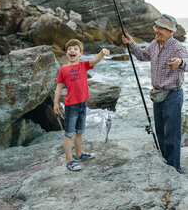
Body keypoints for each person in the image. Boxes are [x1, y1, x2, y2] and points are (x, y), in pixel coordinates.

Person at [122, 14, 188, 173]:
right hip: (157, 95)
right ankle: (166, 164)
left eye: (159, 28)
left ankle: (174, 170)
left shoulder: (177, 46)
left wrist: (180, 63)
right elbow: (143, 56)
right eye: (156, 27)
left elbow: (187, 62)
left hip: (172, 96)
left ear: (170, 30)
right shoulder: (154, 43)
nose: (156, 30)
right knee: (160, 132)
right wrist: (131, 44)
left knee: (172, 136)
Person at [53, 39, 110, 171]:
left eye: (75, 49)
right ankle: (69, 161)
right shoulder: (63, 69)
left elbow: (95, 61)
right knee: (68, 134)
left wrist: (102, 52)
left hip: (82, 104)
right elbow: (59, 87)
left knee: (80, 131)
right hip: (71, 106)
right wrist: (56, 103)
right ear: (67, 53)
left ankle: (78, 154)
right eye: (69, 49)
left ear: (80, 53)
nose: (72, 51)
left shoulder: (84, 65)